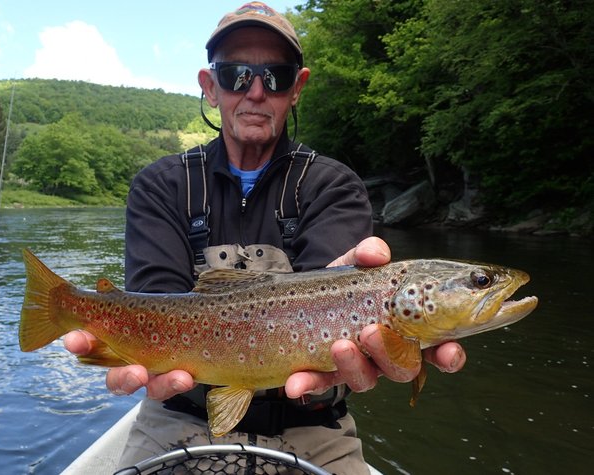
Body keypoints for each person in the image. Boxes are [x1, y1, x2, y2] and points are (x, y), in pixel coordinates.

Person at [65, 2, 466, 473]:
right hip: (176, 412)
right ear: (209, 86)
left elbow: (331, 296)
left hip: (314, 425)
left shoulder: (333, 186)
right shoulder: (162, 185)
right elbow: (156, 301)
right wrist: (102, 326)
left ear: (297, 88)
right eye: (236, 74)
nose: (255, 91)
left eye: (274, 76)